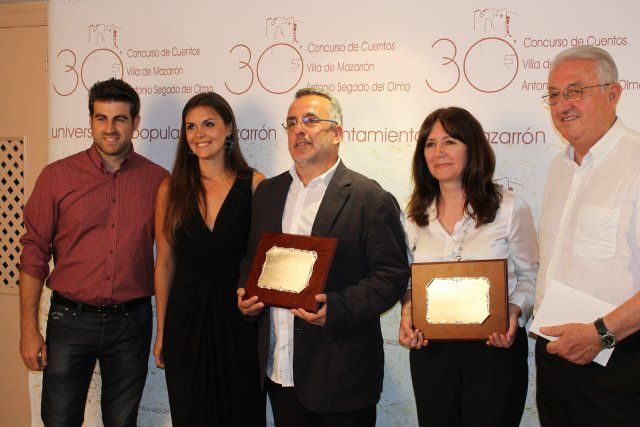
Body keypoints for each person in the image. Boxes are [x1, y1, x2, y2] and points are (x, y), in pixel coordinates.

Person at [236, 87, 409, 426]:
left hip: (342, 377)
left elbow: (391, 276)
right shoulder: (268, 192)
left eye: (311, 120)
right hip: (280, 371)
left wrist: (338, 307)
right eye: (291, 123)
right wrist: (246, 294)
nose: (299, 130)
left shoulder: (370, 198)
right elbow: (253, 256)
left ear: (338, 133)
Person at [18, 78, 168, 426]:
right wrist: (28, 328)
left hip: (131, 323)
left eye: (120, 119)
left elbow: (169, 258)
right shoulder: (56, 177)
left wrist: (166, 327)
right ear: (90, 121)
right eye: (102, 118)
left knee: (122, 421)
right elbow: (33, 254)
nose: (110, 129)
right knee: (59, 420)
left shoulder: (158, 181)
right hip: (70, 320)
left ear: (135, 122)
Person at [398, 107, 538, 427]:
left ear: (472, 148)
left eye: (450, 141)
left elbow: (531, 274)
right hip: (431, 351)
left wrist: (514, 310)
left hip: (494, 348)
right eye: (430, 144)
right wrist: (408, 311)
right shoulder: (414, 215)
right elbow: (407, 282)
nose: (438, 152)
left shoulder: (508, 208)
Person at [534, 45, 640, 426]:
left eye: (575, 91)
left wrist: (601, 335)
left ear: (613, 94)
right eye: (554, 95)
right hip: (554, 361)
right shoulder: (557, 170)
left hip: (619, 361)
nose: (563, 105)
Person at [153, 92, 266, 426]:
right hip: (185, 322)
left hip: (239, 321)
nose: (199, 133)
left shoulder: (255, 185)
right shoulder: (170, 190)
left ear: (228, 128)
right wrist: (162, 331)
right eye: (190, 126)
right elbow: (165, 263)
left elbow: (264, 260)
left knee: (241, 413)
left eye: (208, 124)